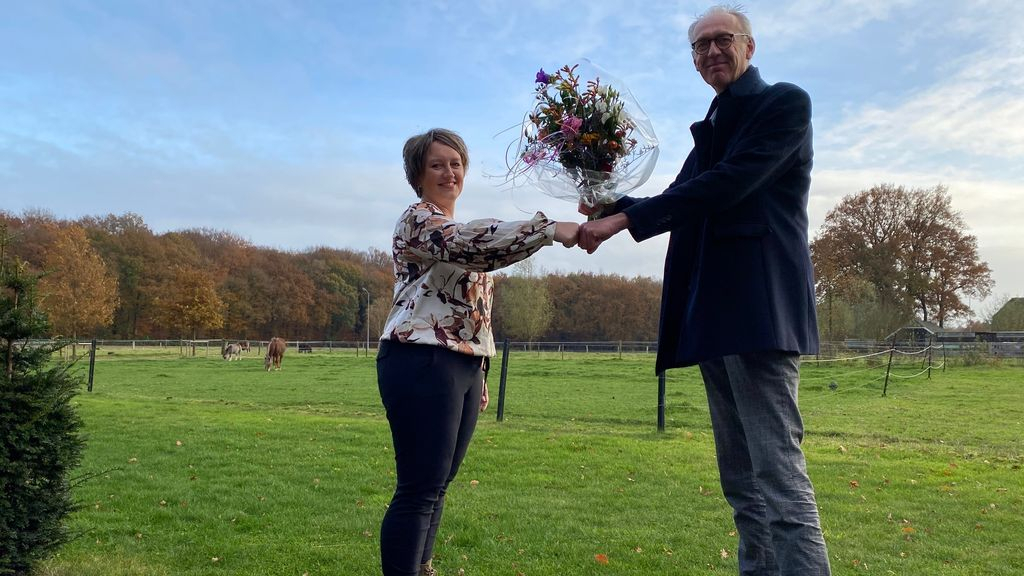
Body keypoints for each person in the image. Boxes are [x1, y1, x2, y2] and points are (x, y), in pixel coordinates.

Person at [578, 5, 831, 575]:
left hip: (759, 313)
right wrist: (610, 204)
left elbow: (727, 185)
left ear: (749, 47)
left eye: (722, 40)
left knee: (780, 482)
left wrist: (620, 222)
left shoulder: (783, 105)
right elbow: (680, 193)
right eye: (700, 46)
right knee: (742, 485)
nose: (711, 52)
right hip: (714, 318)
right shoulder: (713, 128)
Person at [377, 128, 578, 576]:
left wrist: (481, 370)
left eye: (455, 163)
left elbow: (475, 309)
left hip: (463, 365)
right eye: (437, 164)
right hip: (420, 359)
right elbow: (473, 244)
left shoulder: (452, 227)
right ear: (418, 174)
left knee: (439, 483)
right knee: (418, 488)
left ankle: (423, 567)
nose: (449, 172)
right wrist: (549, 229)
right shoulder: (418, 220)